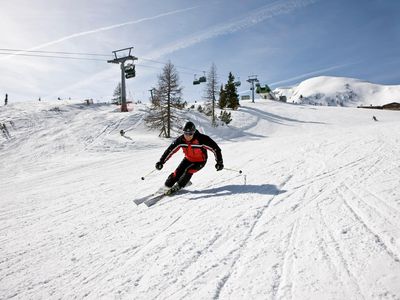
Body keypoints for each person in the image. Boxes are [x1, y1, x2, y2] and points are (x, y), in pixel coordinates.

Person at [155, 121, 223, 194]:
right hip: (188, 159)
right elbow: (170, 150)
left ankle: (179, 185)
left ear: (194, 132)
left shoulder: (202, 139)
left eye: (190, 134)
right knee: (177, 172)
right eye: (185, 133)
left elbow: (216, 149)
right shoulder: (181, 140)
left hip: (200, 161)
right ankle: (167, 186)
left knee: (189, 170)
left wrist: (219, 162)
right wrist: (161, 162)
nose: (188, 136)